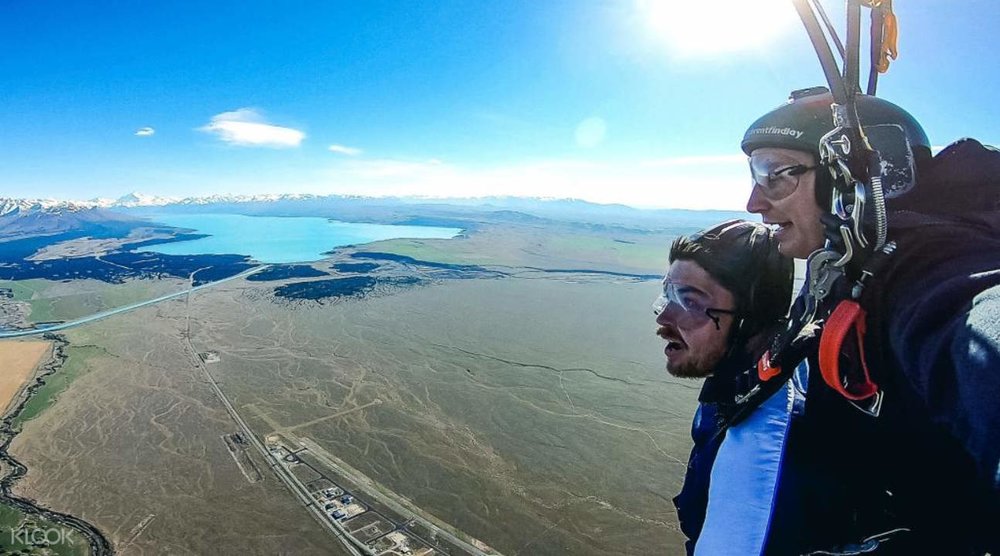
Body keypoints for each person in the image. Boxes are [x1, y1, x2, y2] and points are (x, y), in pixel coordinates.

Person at [735, 87, 1000, 553]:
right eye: (757, 175)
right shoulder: (846, 265)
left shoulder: (924, 264)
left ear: (850, 179)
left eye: (775, 175)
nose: (754, 201)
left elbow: (973, 316)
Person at [653, 219, 793, 554]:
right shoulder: (738, 392)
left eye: (690, 303)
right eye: (668, 294)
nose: (663, 318)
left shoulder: (759, 450)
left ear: (748, 321)